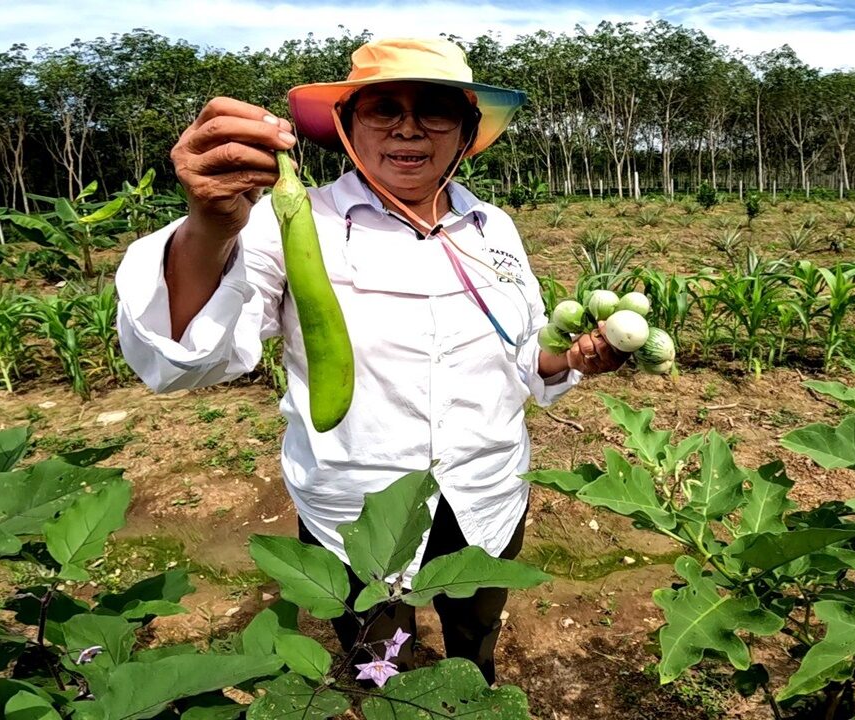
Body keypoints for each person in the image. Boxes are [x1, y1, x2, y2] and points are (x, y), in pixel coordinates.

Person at [114, 37, 626, 684]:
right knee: (377, 655)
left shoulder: (492, 226)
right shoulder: (290, 220)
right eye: (384, 108)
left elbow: (522, 352)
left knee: (476, 635)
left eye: (435, 110)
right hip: (355, 503)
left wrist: (569, 359)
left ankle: (474, 682)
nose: (409, 126)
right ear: (347, 128)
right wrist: (210, 228)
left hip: (486, 490)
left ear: (466, 132)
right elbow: (190, 358)